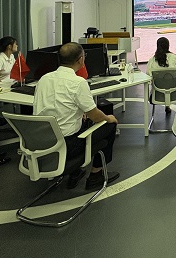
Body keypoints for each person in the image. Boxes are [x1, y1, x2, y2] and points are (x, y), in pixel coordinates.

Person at [33, 42, 119, 191]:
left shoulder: (44, 79)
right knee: (109, 125)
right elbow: (95, 116)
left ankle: (76, 171)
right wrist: (108, 118)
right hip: (66, 145)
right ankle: (95, 176)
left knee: (83, 121)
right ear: (80, 60)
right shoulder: (78, 83)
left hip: (40, 143)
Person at [146, 36, 176, 114]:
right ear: (168, 46)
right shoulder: (174, 57)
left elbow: (148, 77)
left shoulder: (152, 61)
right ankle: (167, 106)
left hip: (158, 95)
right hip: (174, 93)